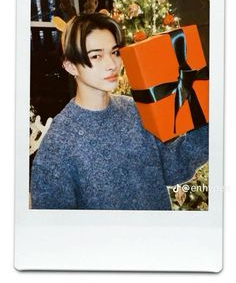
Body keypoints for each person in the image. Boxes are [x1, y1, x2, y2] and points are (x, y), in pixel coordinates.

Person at [30, 13, 208, 210]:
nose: (112, 64)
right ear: (71, 66)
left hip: (159, 237)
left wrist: (207, 115)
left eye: (115, 52)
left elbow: (174, 167)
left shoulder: (134, 109)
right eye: (96, 56)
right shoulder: (58, 144)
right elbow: (55, 229)